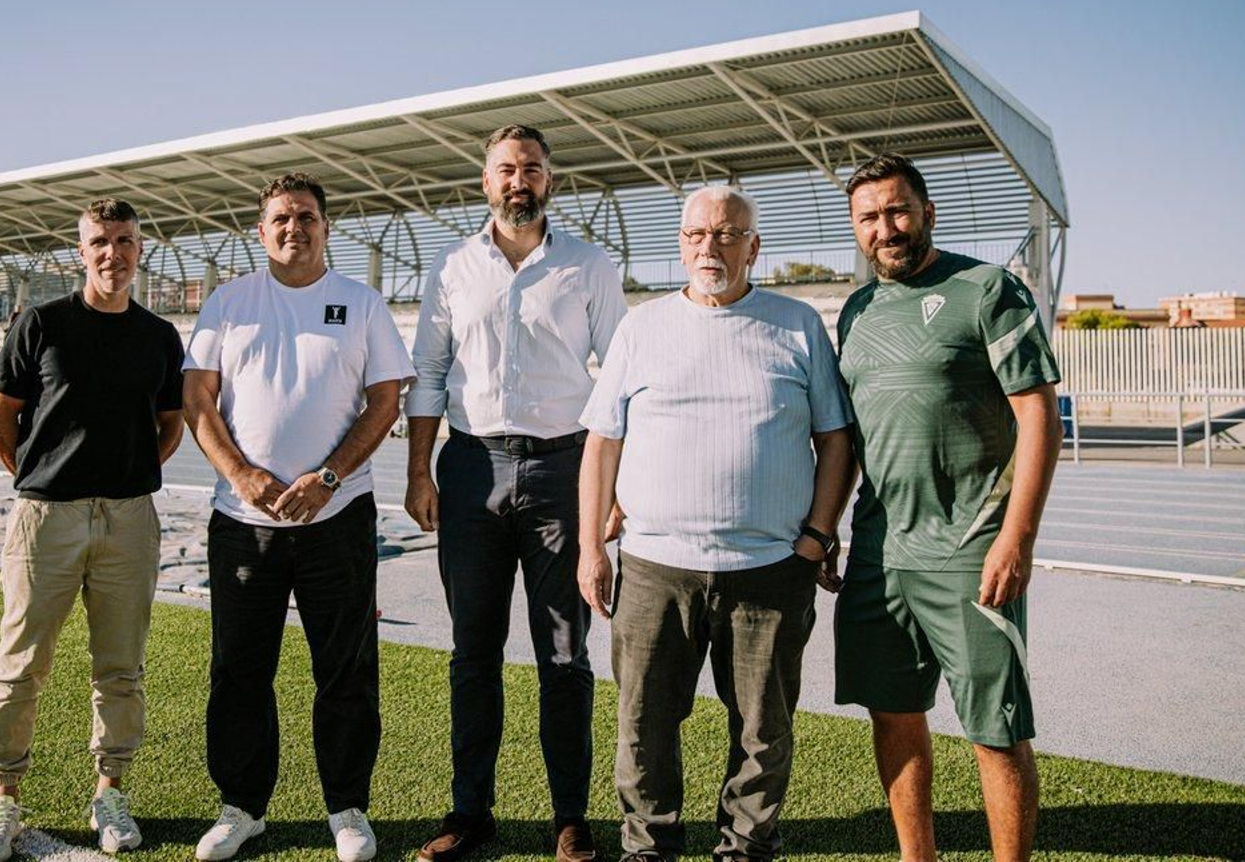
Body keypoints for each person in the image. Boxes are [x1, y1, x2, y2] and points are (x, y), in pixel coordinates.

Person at [577, 185, 854, 862]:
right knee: (644, 722)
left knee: (764, 726)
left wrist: (817, 533)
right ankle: (650, 845)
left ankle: (747, 844)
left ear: (753, 247)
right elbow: (603, 443)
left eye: (728, 234)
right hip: (653, 564)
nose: (711, 246)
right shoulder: (641, 328)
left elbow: (837, 439)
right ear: (680, 243)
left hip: (769, 570)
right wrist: (591, 546)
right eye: (697, 233)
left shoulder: (797, 324)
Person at [405, 123, 627, 862]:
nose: (518, 180)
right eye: (506, 168)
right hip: (470, 469)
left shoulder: (589, 266)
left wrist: (614, 489)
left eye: (531, 168)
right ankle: (472, 811)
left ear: (550, 180)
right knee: (473, 652)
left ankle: (570, 815)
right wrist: (417, 470)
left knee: (565, 653)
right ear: (485, 180)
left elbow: (619, 382)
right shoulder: (452, 267)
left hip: (563, 473)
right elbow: (430, 375)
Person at [835, 154, 1062, 862]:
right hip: (879, 550)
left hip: (970, 547)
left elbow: (1039, 416)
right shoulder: (856, 309)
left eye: (898, 210)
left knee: (995, 729)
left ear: (927, 211)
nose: (886, 228)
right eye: (869, 217)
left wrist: (1016, 537)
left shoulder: (987, 289)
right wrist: (828, 528)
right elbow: (851, 434)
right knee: (893, 713)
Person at [182, 172, 414, 862]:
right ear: (262, 231)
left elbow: (384, 401)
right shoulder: (229, 303)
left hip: (337, 518)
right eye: (282, 218)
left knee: (345, 670)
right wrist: (243, 473)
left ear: (326, 226)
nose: (295, 228)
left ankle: (346, 807)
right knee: (238, 669)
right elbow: (198, 398)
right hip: (242, 521)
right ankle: (243, 807)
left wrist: (329, 476)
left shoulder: (360, 302)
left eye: (307, 216)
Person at [0, 197, 185, 861]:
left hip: (128, 519)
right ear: (80, 250)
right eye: (99, 241)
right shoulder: (41, 323)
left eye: (124, 240)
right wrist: (44, 475)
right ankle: (3, 796)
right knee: (21, 664)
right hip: (47, 516)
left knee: (120, 667)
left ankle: (109, 790)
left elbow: (169, 426)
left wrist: (120, 475)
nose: (111, 252)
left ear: (138, 249)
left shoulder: (159, 335)